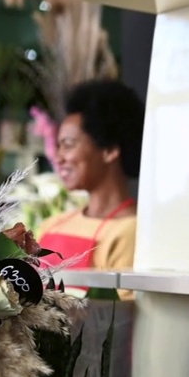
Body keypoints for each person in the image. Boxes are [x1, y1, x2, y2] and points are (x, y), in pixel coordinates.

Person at [37, 79, 145, 273]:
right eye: (59, 145)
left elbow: (121, 304)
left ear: (110, 150)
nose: (59, 157)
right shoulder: (51, 226)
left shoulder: (132, 232)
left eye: (68, 144)